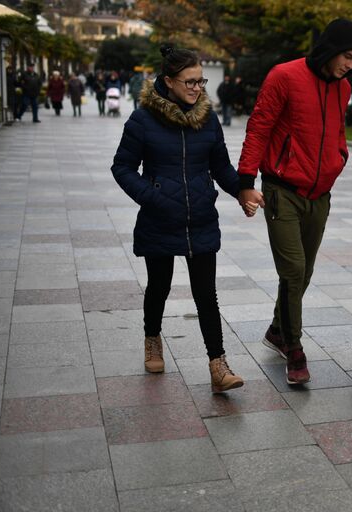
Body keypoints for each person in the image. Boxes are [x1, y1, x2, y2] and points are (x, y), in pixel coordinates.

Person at [237, 18, 352, 384]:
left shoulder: (342, 89)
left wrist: (338, 160)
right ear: (330, 48)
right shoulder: (284, 76)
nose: (350, 65)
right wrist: (245, 181)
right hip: (283, 190)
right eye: (347, 56)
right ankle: (293, 348)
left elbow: (338, 132)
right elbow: (259, 126)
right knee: (293, 270)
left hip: (320, 195)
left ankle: (278, 329)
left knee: (305, 272)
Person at [111, 44, 248, 393]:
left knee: (207, 294)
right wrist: (153, 197)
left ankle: (218, 366)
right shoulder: (143, 119)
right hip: (160, 218)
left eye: (200, 81)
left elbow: (220, 166)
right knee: (160, 286)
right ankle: (152, 338)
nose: (196, 88)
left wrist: (243, 191)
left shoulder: (208, 117)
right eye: (189, 82)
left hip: (201, 216)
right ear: (169, 81)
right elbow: (122, 167)